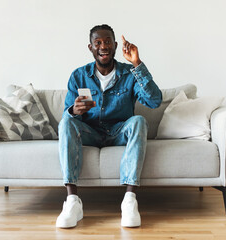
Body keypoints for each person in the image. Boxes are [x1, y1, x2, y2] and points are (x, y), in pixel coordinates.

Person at [56, 24, 162, 228]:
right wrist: (74, 110)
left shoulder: (129, 73)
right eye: (98, 43)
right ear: (90, 47)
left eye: (107, 42)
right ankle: (72, 202)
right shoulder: (79, 75)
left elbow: (154, 101)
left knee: (139, 120)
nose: (103, 46)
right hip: (89, 132)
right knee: (67, 120)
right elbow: (67, 115)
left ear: (114, 45)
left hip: (118, 131)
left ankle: (129, 200)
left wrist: (137, 63)